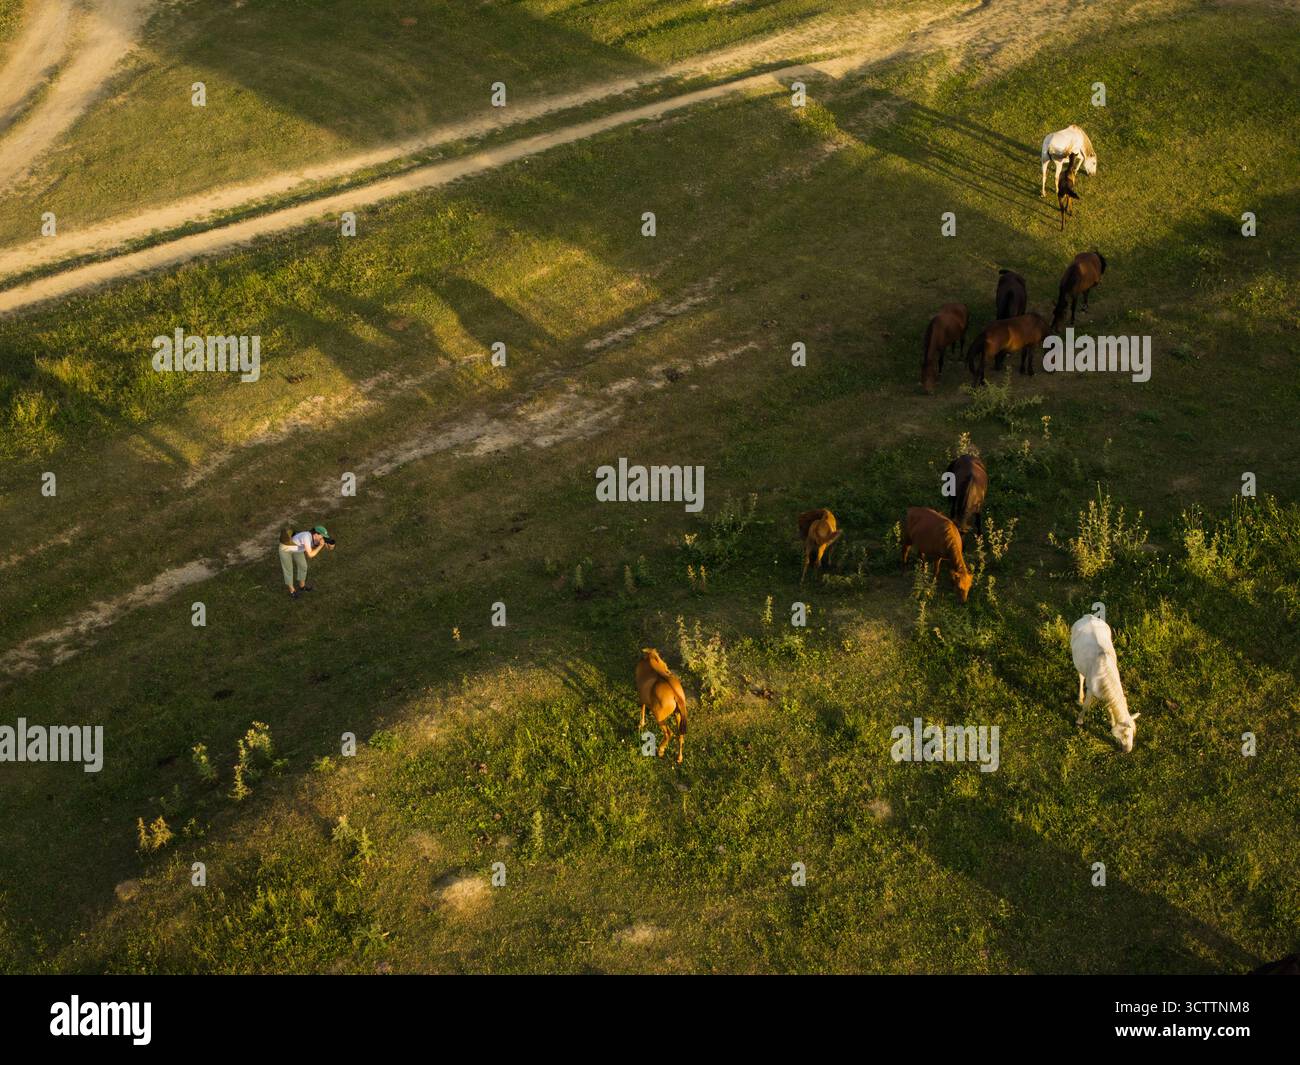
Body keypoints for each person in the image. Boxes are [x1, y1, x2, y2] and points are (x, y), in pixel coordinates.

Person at [278, 524, 335, 599]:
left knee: (303, 566)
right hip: (285, 549)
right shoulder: (306, 537)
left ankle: (302, 586)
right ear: (316, 534)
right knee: (288, 569)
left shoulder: (315, 538)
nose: (323, 538)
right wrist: (320, 546)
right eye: (322, 536)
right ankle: (292, 591)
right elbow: (310, 555)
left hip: (297, 549)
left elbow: (328, 548)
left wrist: (329, 545)